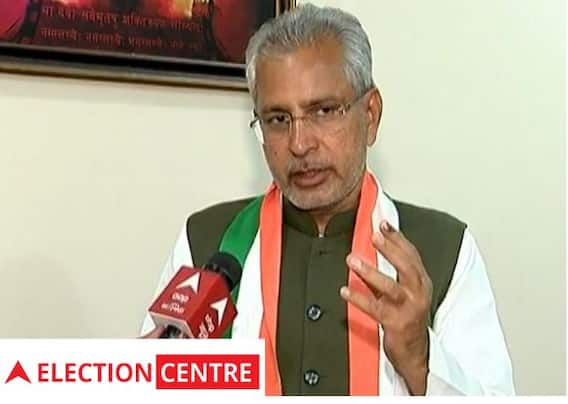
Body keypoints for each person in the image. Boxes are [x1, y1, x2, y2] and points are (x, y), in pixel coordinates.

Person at [140, 3, 515, 396]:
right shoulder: (207, 242)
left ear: (370, 115)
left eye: (323, 111)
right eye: (278, 119)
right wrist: (152, 380)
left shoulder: (442, 248)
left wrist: (420, 358)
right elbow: (151, 384)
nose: (300, 144)